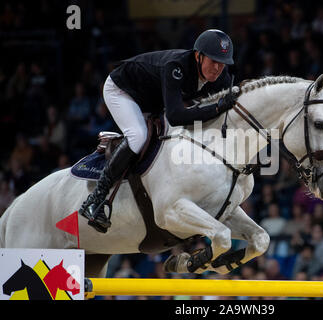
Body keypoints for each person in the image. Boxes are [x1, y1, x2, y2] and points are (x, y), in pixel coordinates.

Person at [78, 29, 238, 232]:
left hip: (152, 99)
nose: (218, 68)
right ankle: (95, 199)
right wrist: (217, 107)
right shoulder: (176, 66)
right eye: (213, 61)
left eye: (222, 62)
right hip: (123, 90)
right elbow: (176, 115)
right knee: (138, 136)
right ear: (198, 55)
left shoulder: (221, 76)